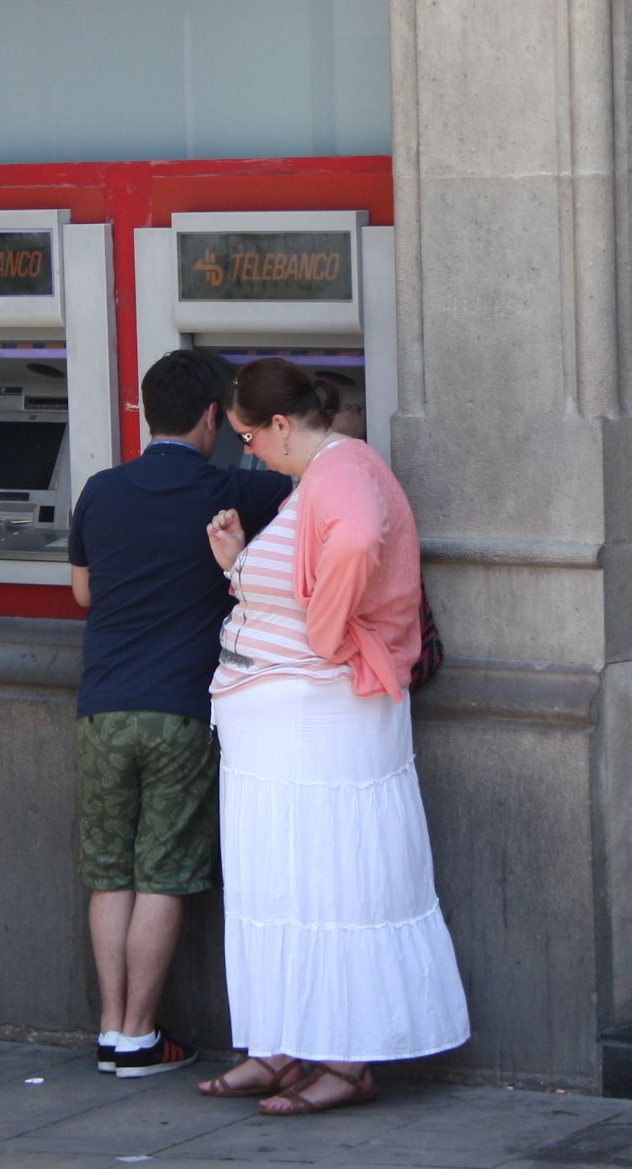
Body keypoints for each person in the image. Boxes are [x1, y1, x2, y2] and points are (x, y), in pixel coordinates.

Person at [195, 358, 469, 1116]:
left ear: (281, 425)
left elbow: (356, 541)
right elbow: (308, 573)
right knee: (287, 880)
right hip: (284, 731)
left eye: (249, 436)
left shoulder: (342, 469)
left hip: (320, 730)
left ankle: (344, 1062)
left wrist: (327, 631)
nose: (247, 451)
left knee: (329, 880)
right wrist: (240, 565)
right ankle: (282, 1043)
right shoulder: (316, 475)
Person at [69, 348, 292, 1077]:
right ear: (210, 419)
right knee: (162, 874)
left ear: (143, 412)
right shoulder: (233, 490)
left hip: (103, 707)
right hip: (180, 711)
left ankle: (112, 1030)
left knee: (111, 872)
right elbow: (317, 478)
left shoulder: (100, 491)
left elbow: (83, 593)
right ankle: (142, 1033)